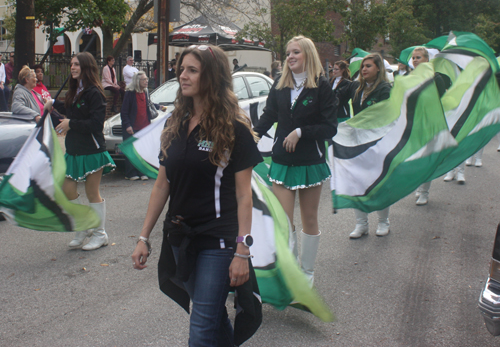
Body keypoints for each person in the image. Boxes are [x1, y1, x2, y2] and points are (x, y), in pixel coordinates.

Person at [131, 44, 262, 346]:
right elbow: (162, 185)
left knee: (201, 327)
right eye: (181, 70)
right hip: (180, 238)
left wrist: (242, 251)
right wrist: (143, 236)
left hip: (218, 241)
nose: (183, 76)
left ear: (212, 77)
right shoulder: (174, 122)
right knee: (213, 317)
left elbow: (244, 196)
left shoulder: (234, 129)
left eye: (192, 70)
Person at [253, 35, 337, 284]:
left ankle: (307, 273)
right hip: (282, 161)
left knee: (309, 219)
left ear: (308, 55)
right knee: (282, 220)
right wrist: (251, 136)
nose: (290, 56)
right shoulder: (279, 84)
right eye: (288, 52)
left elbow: (329, 127)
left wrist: (301, 132)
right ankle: (291, 276)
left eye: (296, 52)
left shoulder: (321, 86)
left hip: (311, 162)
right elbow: (268, 116)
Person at [47, 52, 116, 250]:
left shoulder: (95, 92)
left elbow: (96, 124)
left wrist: (72, 124)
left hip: (92, 150)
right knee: (67, 190)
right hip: (74, 150)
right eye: (71, 64)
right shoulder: (76, 90)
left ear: (86, 67)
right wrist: (53, 104)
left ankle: (100, 234)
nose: (72, 67)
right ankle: (83, 226)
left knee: (91, 192)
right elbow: (71, 108)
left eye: (76, 64)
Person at [346, 53, 392, 238]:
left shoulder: (385, 89)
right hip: (358, 143)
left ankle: (383, 222)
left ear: (378, 68)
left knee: (379, 185)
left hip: (378, 143)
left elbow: (385, 118)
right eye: (363, 66)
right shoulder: (357, 89)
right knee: (358, 184)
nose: (363, 69)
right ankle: (361, 224)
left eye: (368, 66)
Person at [413, 47, 457, 205]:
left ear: (426, 59)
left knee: (427, 159)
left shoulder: (436, 78)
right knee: (417, 159)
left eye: (418, 57)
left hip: (431, 123)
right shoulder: (410, 77)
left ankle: (424, 192)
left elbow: (440, 102)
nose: (415, 60)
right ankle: (419, 186)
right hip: (415, 123)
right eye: (413, 58)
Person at [121, 70, 161, 181]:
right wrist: (128, 125)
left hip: (145, 127)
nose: (147, 81)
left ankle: (142, 172)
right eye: (144, 79)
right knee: (132, 151)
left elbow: (149, 104)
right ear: (137, 81)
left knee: (143, 151)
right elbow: (124, 112)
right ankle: (130, 173)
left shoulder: (146, 91)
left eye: (147, 79)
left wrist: (159, 107)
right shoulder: (130, 93)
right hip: (133, 128)